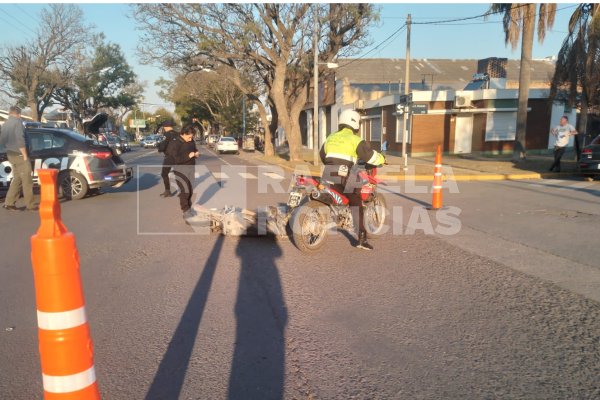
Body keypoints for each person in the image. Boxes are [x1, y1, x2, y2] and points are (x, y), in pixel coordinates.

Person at [319, 109, 386, 250]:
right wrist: (382, 158)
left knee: (338, 194)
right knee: (356, 202)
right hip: (345, 175)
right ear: (355, 123)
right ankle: (362, 239)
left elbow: (323, 156)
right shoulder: (356, 140)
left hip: (328, 173)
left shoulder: (330, 138)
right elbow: (369, 156)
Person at [0, 106, 36, 211]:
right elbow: (20, 139)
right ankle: (31, 205)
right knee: (27, 180)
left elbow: (2, 140)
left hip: (11, 154)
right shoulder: (18, 123)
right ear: (18, 114)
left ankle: (9, 203)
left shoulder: (5, 124)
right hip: (20, 154)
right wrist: (24, 155)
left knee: (17, 178)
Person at [166, 125, 199, 219]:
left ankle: (188, 207)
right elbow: (175, 159)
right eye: (189, 137)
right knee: (185, 191)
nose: (190, 139)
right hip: (180, 170)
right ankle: (185, 211)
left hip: (191, 169)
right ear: (184, 134)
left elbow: (194, 150)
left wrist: (196, 154)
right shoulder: (175, 143)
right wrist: (188, 156)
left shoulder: (191, 141)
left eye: (192, 137)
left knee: (190, 190)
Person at [157, 120, 178, 197]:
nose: (163, 128)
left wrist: (159, 149)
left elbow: (163, 144)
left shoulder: (166, 134)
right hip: (178, 157)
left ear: (166, 126)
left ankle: (168, 191)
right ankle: (184, 191)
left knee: (164, 173)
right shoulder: (177, 134)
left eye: (164, 126)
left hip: (169, 157)